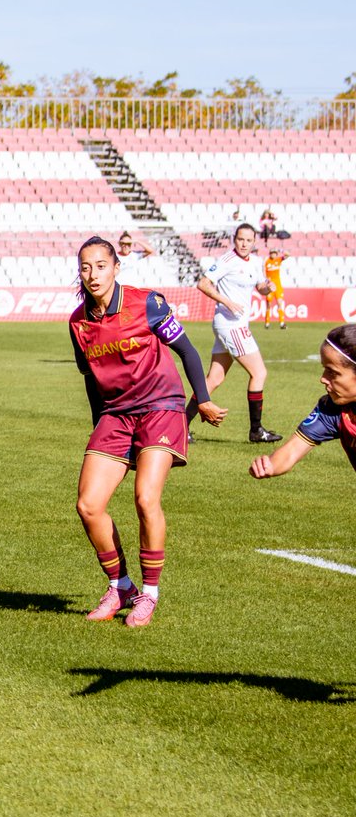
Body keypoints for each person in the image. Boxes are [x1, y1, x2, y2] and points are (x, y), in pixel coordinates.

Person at [70, 236, 226, 627]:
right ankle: (121, 585)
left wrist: (202, 399)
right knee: (88, 505)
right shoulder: (78, 321)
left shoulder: (148, 303)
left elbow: (188, 351)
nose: (93, 275)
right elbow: (91, 378)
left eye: (101, 266)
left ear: (116, 268)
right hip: (115, 416)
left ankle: (150, 595)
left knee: (145, 498)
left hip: (161, 407)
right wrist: (98, 428)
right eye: (86, 268)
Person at [185, 224, 282, 444]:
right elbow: (203, 284)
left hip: (233, 325)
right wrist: (226, 301)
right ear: (234, 239)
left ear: (254, 241)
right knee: (259, 373)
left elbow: (260, 288)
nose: (244, 244)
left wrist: (268, 287)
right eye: (240, 239)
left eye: (248, 240)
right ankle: (256, 430)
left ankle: (181, 425)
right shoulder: (227, 261)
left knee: (214, 378)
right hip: (231, 325)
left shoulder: (256, 263)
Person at [250, 325, 356, 479]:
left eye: (333, 372)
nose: (323, 379)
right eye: (324, 369)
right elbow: (292, 449)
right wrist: (270, 466)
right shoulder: (332, 409)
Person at [262, 247, 289, 330]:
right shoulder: (266, 261)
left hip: (278, 286)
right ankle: (267, 323)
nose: (273, 254)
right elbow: (263, 271)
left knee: (280, 303)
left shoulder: (278, 260)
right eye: (272, 253)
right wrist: (266, 280)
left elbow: (288, 254)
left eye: (274, 253)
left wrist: (281, 250)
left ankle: (282, 323)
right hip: (270, 286)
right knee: (269, 305)